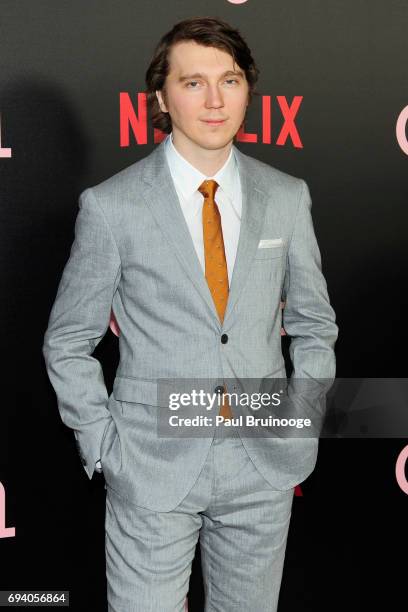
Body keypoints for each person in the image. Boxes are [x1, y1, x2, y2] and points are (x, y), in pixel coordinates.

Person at [42, 16, 338, 612]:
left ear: (248, 91)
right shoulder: (111, 207)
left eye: (228, 81)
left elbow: (314, 324)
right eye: (193, 82)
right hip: (150, 465)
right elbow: (68, 341)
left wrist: (300, 419)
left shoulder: (287, 196)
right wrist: (103, 445)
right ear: (161, 95)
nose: (213, 100)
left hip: (262, 462)